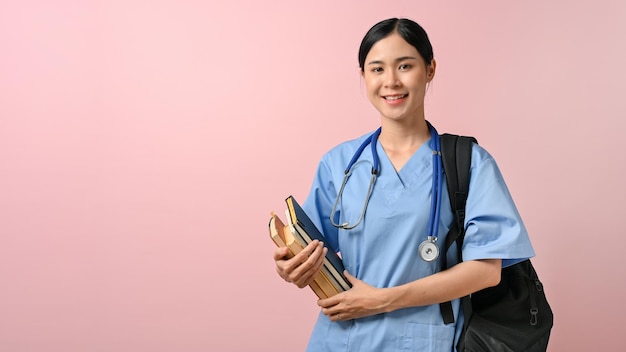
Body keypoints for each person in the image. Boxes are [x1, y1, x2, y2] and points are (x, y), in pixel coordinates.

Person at [273, 17, 535, 352]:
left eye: (405, 66)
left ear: (430, 70)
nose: (391, 82)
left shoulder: (469, 163)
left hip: (424, 340)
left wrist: (383, 300)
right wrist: (290, 267)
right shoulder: (338, 164)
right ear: (364, 77)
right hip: (341, 339)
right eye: (377, 69)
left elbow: (486, 271)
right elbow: (315, 254)